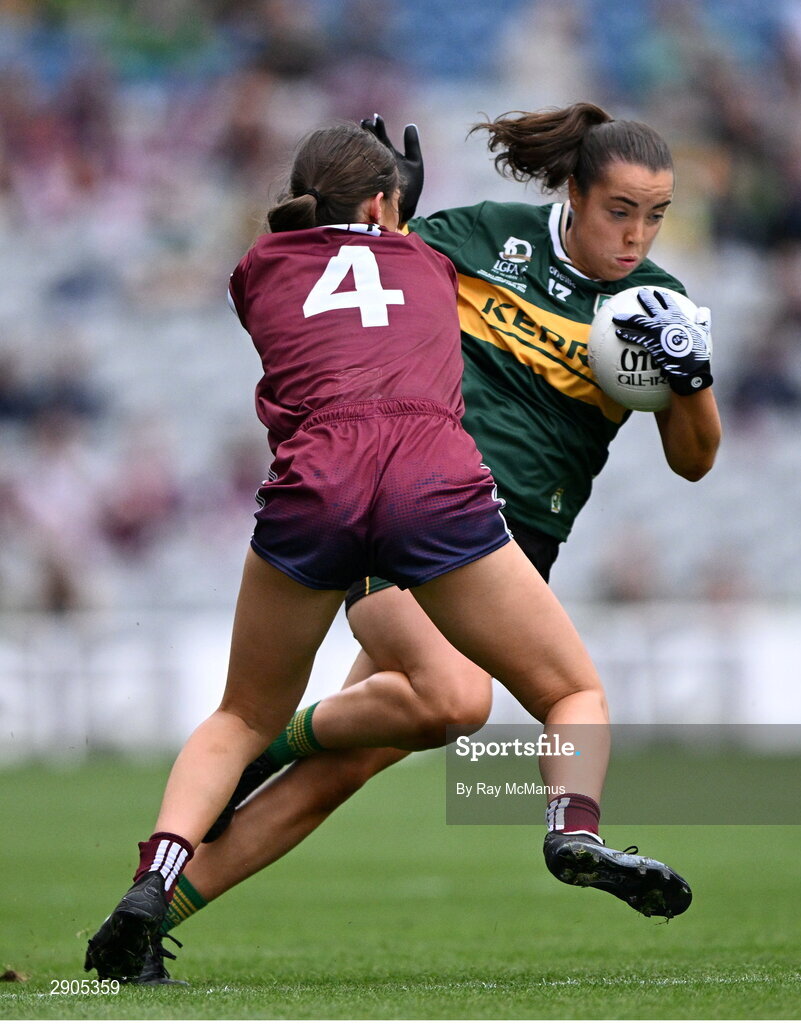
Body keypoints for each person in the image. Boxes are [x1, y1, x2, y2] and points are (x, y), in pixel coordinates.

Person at [84, 114, 706, 983]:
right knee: (454, 698)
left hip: (486, 539)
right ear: (573, 193)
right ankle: (273, 746)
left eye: (656, 215)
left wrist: (691, 378)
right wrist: (399, 211)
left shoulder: (660, 309)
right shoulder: (470, 240)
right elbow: (367, 265)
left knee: (357, 759)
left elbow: (695, 460)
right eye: (620, 210)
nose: (635, 235)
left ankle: (152, 914)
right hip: (423, 507)